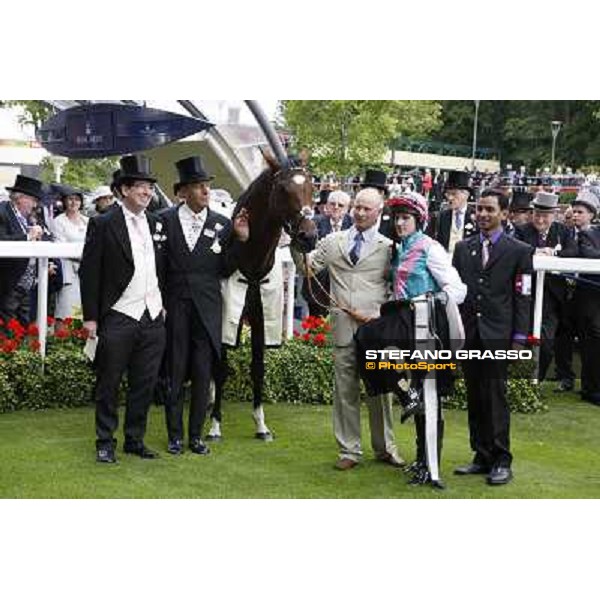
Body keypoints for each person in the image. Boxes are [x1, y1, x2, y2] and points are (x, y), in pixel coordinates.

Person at [355, 192, 466, 487]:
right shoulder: (400, 248)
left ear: (419, 220)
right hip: (404, 325)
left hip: (425, 327)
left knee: (430, 396)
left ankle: (429, 466)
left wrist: (427, 301)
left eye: (406, 218)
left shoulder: (431, 248)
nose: (400, 223)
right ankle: (407, 397)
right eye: (397, 218)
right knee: (368, 343)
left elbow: (457, 289)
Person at [294, 187, 403, 471]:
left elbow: (396, 290)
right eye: (358, 207)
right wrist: (297, 245)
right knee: (345, 392)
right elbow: (307, 268)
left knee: (381, 392)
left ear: (379, 212)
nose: (361, 212)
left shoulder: (389, 246)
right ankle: (349, 450)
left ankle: (386, 448)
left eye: (368, 208)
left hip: (376, 330)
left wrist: (378, 315)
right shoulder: (333, 241)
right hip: (343, 327)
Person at [80, 155, 166, 464]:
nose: (147, 192)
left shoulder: (157, 222)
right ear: (124, 190)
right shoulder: (103, 223)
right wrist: (90, 317)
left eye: (150, 187)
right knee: (109, 383)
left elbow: (165, 268)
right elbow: (89, 272)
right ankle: (105, 441)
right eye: (141, 187)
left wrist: (163, 304)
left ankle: (134, 439)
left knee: (144, 383)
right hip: (118, 315)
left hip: (153, 316)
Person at [160, 156, 245, 455]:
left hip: (208, 311)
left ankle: (195, 435)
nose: (205, 191)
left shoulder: (222, 224)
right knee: (175, 371)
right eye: (198, 186)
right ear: (183, 192)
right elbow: (159, 268)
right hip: (175, 307)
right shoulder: (165, 220)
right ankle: (174, 436)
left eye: (207, 185)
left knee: (202, 372)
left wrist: (241, 241)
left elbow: (225, 268)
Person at [452, 188, 533, 486]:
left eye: (490, 209)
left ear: (504, 213)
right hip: (470, 335)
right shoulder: (463, 249)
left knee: (496, 398)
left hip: (500, 336)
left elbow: (523, 297)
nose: (483, 214)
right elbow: (457, 295)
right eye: (480, 209)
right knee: (475, 397)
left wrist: (519, 338)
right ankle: (481, 455)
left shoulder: (519, 251)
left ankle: (502, 459)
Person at [514, 191, 576, 381]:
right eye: (537, 214)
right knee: (522, 339)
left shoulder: (563, 231)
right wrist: (536, 251)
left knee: (546, 343)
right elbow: (515, 249)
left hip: (552, 297)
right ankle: (519, 379)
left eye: (545, 215)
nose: (540, 219)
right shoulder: (522, 231)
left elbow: (573, 251)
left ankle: (536, 379)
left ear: (554, 215)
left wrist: (554, 256)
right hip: (525, 295)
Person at [0, 174, 47, 324]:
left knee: (24, 329)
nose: (35, 206)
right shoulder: (2, 212)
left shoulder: (29, 218)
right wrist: (27, 236)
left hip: (28, 285)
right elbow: (2, 242)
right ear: (20, 198)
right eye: (33, 201)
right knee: (7, 330)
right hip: (8, 284)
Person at [569, 190, 600, 404]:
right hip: (583, 297)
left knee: (593, 340)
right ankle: (589, 388)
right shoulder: (579, 235)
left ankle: (592, 387)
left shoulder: (592, 234)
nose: (576, 215)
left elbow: (591, 256)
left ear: (592, 214)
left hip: (593, 296)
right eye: (575, 211)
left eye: (580, 212)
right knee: (589, 341)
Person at [302, 190, 353, 317]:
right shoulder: (314, 223)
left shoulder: (353, 225)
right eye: (332, 204)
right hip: (317, 283)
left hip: (343, 285)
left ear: (347, 208)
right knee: (316, 323)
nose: (336, 207)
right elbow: (305, 248)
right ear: (327, 206)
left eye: (340, 205)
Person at [50, 185, 89, 322]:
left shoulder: (87, 221)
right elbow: (60, 247)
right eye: (70, 199)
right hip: (67, 271)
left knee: (84, 312)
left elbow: (93, 243)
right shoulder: (58, 221)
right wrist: (84, 255)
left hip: (86, 272)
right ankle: (60, 341)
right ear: (64, 201)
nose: (74, 202)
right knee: (65, 311)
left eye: (77, 199)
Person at [433, 170, 477, 256]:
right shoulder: (442, 216)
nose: (449, 198)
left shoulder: (476, 216)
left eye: (453, 194)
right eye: (447, 194)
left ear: (466, 194)